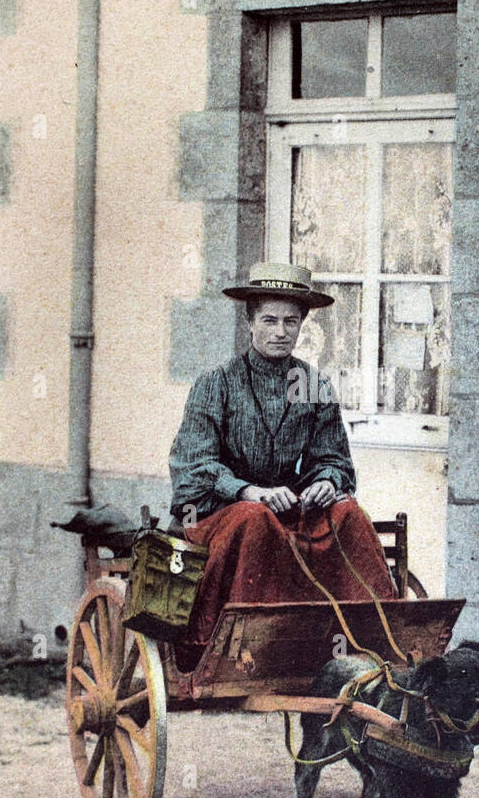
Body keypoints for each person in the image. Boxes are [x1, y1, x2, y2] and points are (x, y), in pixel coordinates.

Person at [168, 261, 397, 661]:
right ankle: (244, 644)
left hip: (286, 511)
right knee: (255, 517)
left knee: (348, 513)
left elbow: (334, 458)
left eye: (291, 322)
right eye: (269, 320)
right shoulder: (216, 384)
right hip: (220, 517)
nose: (280, 332)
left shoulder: (313, 384)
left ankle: (373, 638)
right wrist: (248, 491)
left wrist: (326, 479)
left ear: (302, 325)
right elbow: (192, 466)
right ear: (250, 321)